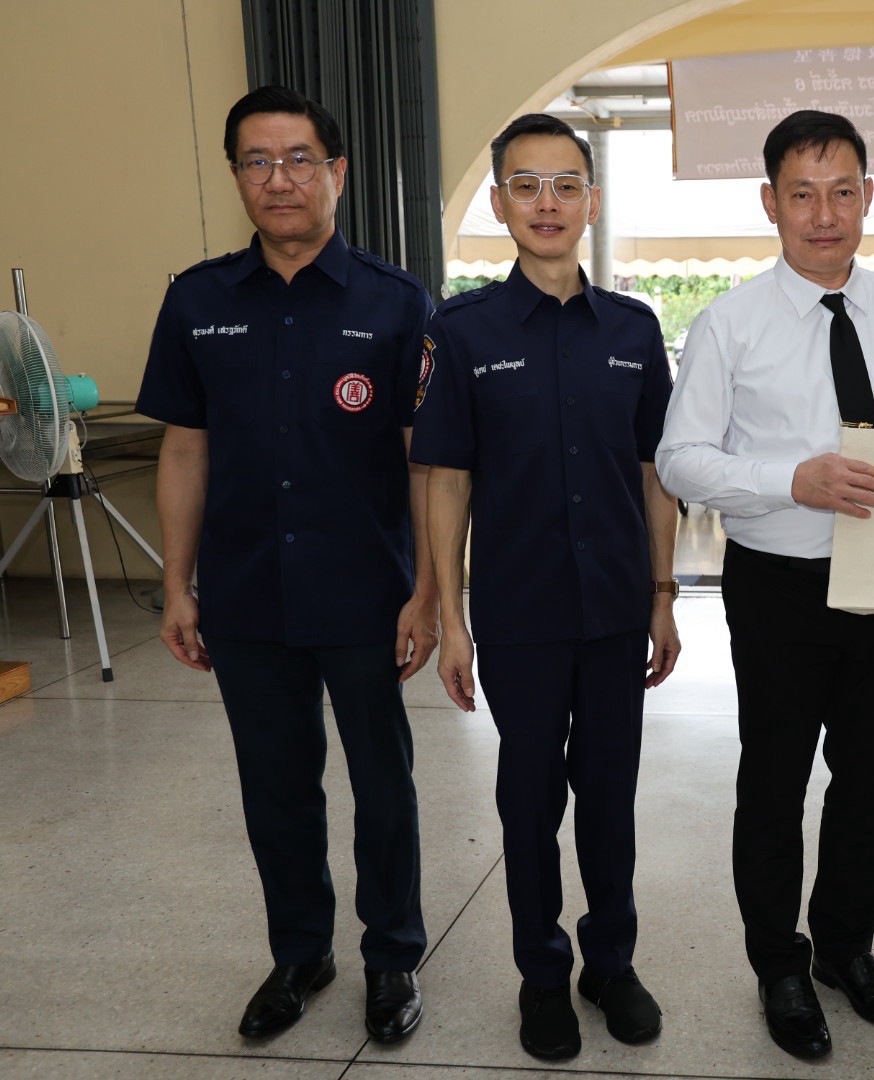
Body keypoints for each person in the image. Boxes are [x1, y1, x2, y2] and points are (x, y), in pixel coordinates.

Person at [656, 109, 874, 1060]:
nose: (824, 215)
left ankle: (846, 951)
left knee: (869, 785)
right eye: (802, 195)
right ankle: (778, 965)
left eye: (842, 193)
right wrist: (791, 478)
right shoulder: (730, 323)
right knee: (775, 784)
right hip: (777, 587)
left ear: (868, 198)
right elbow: (680, 458)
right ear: (769, 203)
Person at [137, 86, 436, 1043]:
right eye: (257, 162)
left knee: (382, 787)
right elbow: (185, 449)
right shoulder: (198, 299)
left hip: (366, 592)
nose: (280, 179)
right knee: (275, 786)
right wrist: (177, 584)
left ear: (336, 173)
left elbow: (423, 461)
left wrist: (431, 590)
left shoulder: (395, 302)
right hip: (246, 592)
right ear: (236, 177)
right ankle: (301, 952)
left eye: (300, 159)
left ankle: (392, 956)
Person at [409, 113, 678, 1063]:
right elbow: (445, 480)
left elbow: (655, 474)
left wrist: (663, 597)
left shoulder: (635, 331)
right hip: (518, 614)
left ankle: (612, 964)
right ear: (500, 204)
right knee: (529, 804)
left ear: (591, 202)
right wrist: (449, 620)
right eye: (526, 186)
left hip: (614, 610)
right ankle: (541, 974)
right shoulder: (462, 334)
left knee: (609, 797)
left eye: (566, 185)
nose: (547, 203)